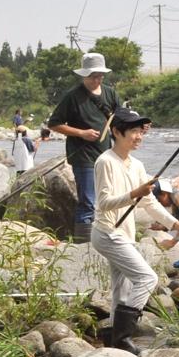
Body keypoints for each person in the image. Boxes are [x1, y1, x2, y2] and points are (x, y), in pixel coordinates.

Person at [90, 108, 179, 355]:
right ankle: (122, 336)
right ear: (116, 132)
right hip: (107, 233)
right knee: (148, 278)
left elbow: (149, 203)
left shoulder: (136, 164)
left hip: (123, 234)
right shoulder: (105, 162)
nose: (138, 136)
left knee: (121, 290)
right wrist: (134, 194)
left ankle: (114, 337)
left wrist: (175, 224)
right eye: (133, 131)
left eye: (140, 131)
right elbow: (104, 203)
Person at [48, 52, 120, 243]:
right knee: (88, 201)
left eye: (100, 75)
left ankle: (106, 238)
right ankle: (83, 244)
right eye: (93, 76)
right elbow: (54, 124)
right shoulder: (72, 97)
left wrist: (139, 125)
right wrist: (81, 133)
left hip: (106, 154)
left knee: (108, 198)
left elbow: (120, 118)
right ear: (84, 75)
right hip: (83, 156)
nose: (97, 79)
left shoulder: (110, 93)